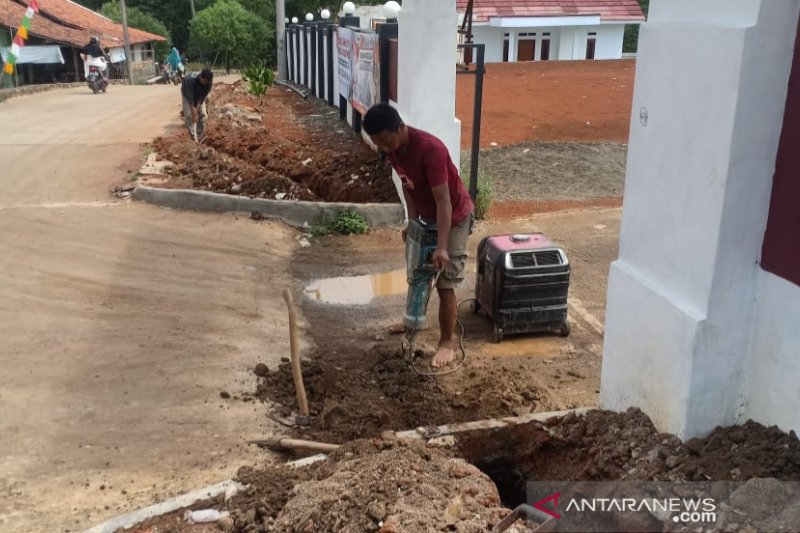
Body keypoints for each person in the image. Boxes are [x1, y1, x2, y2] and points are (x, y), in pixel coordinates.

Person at [363, 104, 475, 368]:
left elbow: (444, 202)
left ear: (401, 128)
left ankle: (446, 344)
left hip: (454, 217)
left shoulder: (430, 150)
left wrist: (442, 247)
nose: (386, 149)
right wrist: (413, 225)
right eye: (380, 145)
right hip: (427, 215)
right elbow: (408, 187)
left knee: (445, 280)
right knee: (417, 271)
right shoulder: (394, 150)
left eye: (388, 141)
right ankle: (412, 321)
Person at [181, 69, 213, 142]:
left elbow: (201, 98)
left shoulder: (208, 83)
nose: (205, 83)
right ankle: (193, 138)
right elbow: (191, 100)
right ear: (201, 77)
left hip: (199, 96)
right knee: (189, 116)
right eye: (204, 81)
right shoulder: (189, 80)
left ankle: (199, 135)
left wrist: (196, 111)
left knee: (203, 115)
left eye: (207, 82)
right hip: (187, 96)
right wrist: (193, 114)